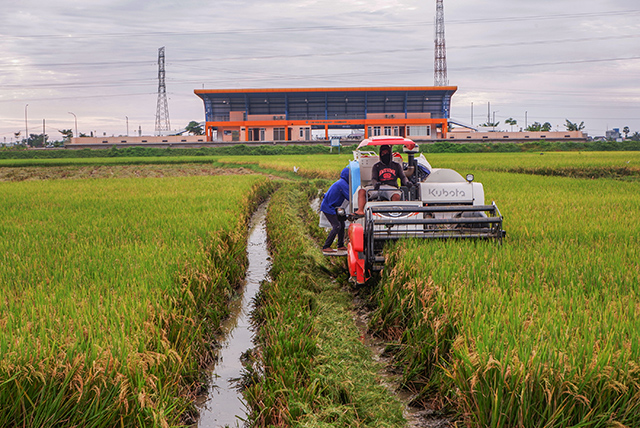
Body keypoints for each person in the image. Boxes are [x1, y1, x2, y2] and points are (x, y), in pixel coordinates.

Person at [355, 144, 411, 216]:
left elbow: (403, 177)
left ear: (390, 154)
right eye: (383, 154)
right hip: (378, 187)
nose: (385, 155)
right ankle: (360, 210)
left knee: (396, 196)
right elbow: (374, 178)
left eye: (387, 153)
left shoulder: (396, 166)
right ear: (380, 155)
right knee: (362, 191)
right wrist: (376, 184)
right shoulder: (376, 166)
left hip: (391, 188)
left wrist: (407, 182)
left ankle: (394, 213)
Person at [320, 166, 350, 253]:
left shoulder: (342, 182)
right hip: (328, 207)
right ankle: (326, 246)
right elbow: (351, 197)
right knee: (336, 226)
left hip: (333, 207)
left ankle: (340, 245)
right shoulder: (343, 184)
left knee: (342, 224)